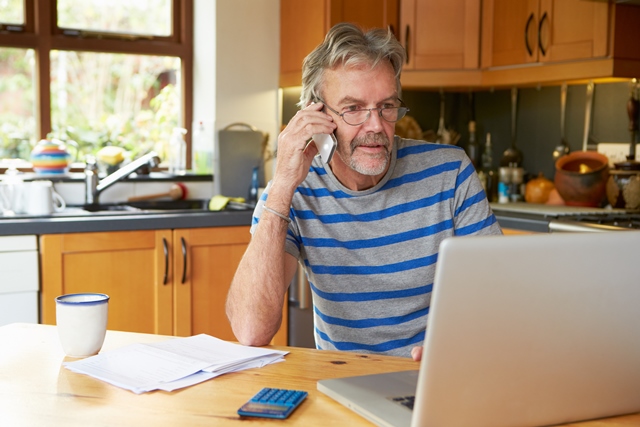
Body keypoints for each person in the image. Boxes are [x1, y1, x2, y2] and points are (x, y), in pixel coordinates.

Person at [226, 22, 502, 361]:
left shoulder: (450, 172)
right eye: (353, 108)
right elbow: (251, 329)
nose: (375, 126)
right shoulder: (295, 188)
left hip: (434, 376)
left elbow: (497, 295)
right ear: (317, 115)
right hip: (341, 381)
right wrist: (282, 185)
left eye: (386, 106)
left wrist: (462, 343)